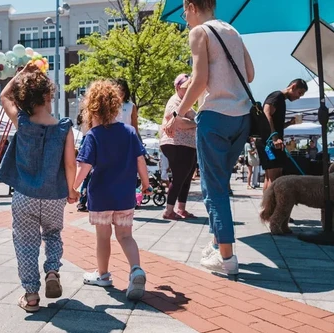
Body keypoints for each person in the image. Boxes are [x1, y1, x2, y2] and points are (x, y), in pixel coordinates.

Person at [164, 0, 255, 275]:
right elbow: (250, 74)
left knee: (213, 188)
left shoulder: (199, 32)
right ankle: (217, 245)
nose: (184, 17)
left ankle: (227, 258)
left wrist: (178, 114)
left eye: (184, 11)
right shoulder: (233, 31)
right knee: (221, 182)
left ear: (191, 6)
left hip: (215, 116)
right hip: (242, 118)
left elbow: (199, 79)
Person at [0, 63, 78, 312]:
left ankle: (31, 296)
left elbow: (3, 96)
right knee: (53, 233)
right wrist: (73, 190)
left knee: (25, 242)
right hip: (54, 196)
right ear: (48, 95)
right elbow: (70, 163)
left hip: (24, 195)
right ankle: (52, 270)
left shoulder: (22, 122)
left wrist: (22, 74)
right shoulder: (64, 127)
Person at [74, 80, 150, 301]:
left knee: (103, 237)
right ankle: (136, 269)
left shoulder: (93, 135)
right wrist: (146, 184)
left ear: (92, 109)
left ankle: (103, 274)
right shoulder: (129, 131)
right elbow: (140, 161)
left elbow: (84, 167)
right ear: (117, 106)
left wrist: (73, 188)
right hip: (125, 195)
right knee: (126, 236)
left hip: (101, 196)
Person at [255, 79, 308, 191]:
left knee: (269, 177)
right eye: (299, 93)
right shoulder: (277, 96)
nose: (299, 97)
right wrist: (275, 138)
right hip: (270, 143)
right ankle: (271, 206)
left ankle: (267, 207)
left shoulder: (280, 99)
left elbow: (275, 123)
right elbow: (266, 113)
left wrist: (289, 123)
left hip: (267, 143)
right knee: (275, 177)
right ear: (293, 86)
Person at [159, 74, 197, 219]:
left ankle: (181, 208)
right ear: (177, 87)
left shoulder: (187, 104)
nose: (188, 89)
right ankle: (169, 211)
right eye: (185, 86)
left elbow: (191, 119)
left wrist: (191, 122)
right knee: (179, 176)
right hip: (176, 143)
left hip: (187, 144)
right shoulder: (174, 102)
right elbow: (178, 122)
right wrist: (195, 123)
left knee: (186, 177)